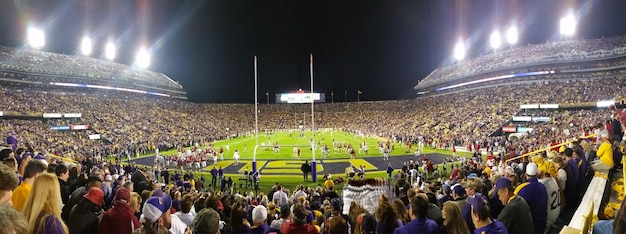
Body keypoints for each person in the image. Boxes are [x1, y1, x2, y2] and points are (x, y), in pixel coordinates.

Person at [514, 162, 547, 234]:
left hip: (531, 227)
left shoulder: (522, 189)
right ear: (537, 174)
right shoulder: (542, 186)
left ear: (526, 174)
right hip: (542, 224)